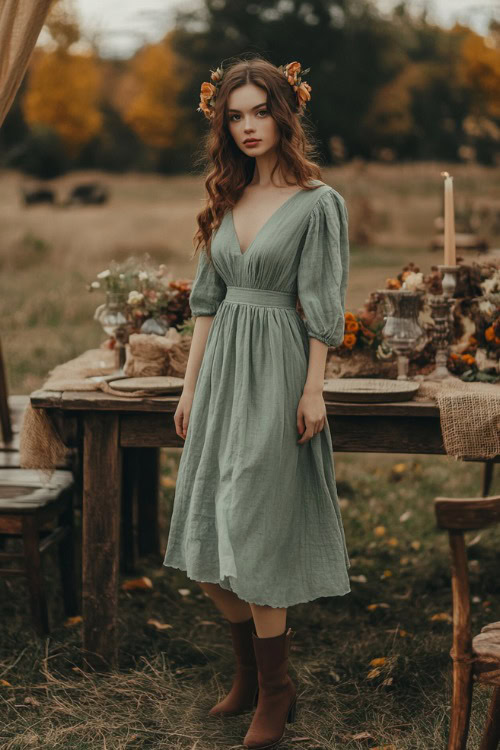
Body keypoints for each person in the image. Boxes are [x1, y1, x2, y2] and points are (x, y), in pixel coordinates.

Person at [163, 55, 351, 750]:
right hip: (219, 378)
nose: (248, 126)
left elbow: (323, 307)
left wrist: (312, 390)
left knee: (254, 529)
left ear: (284, 114)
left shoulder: (317, 203)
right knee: (207, 536)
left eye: (260, 112)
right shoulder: (222, 198)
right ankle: (249, 675)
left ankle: (277, 692)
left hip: (276, 369)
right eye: (235, 115)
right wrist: (188, 387)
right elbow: (205, 306)